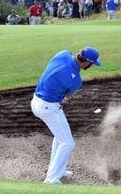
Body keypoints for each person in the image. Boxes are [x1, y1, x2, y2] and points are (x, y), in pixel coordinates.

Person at [31, 47, 101, 184]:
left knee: (60, 137)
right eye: (92, 64)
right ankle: (51, 179)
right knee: (68, 143)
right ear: (86, 63)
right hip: (48, 108)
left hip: (36, 101)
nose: (91, 66)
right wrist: (65, 100)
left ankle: (58, 170)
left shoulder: (63, 54)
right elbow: (67, 97)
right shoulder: (76, 80)